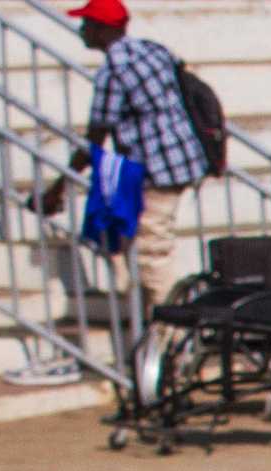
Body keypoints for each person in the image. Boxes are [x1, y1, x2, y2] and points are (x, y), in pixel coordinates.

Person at [67, 0, 208, 308]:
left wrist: (59, 186)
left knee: (151, 254)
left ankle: (172, 327)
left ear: (101, 29)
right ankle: (147, 316)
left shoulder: (114, 69)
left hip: (157, 170)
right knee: (128, 242)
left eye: (86, 24)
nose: (82, 31)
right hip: (180, 159)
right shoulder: (153, 50)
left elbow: (96, 135)